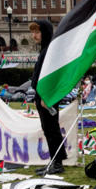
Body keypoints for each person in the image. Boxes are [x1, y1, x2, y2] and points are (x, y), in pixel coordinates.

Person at [31, 20, 67, 175]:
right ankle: (54, 161)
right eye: (33, 32)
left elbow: (51, 76)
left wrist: (46, 97)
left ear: (44, 32)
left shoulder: (49, 51)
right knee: (48, 129)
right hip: (43, 96)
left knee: (51, 129)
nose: (34, 36)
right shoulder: (45, 50)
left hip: (48, 97)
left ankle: (57, 163)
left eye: (37, 32)